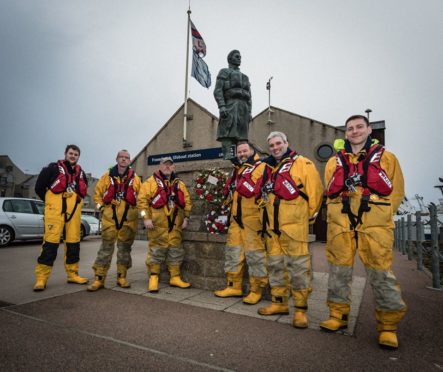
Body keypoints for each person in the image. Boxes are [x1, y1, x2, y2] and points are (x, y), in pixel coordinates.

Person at [320, 115, 406, 349]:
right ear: (345, 133)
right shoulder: (333, 162)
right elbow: (329, 191)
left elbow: (396, 192)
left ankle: (388, 326)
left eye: (359, 127)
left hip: (375, 224)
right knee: (338, 271)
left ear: (369, 130)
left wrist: (382, 216)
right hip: (341, 224)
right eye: (350, 128)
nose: (355, 131)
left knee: (381, 274)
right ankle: (337, 315)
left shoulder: (388, 158)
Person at [256, 132, 323, 328]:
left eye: (279, 143)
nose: (275, 147)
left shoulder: (303, 163)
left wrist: (307, 217)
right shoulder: (267, 168)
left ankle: (301, 310)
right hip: (272, 227)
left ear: (286, 143)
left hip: (294, 226)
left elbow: (316, 192)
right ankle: (279, 303)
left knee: (299, 268)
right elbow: (262, 194)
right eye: (272, 145)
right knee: (275, 266)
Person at [214, 142, 268, 304]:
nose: (242, 154)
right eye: (239, 152)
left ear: (252, 151)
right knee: (233, 254)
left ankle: (256, 290)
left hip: (253, 221)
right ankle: (233, 286)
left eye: (245, 151)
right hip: (236, 220)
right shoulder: (237, 170)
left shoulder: (262, 166)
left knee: (255, 256)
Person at [33, 144, 89, 291]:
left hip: (74, 213)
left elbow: (84, 190)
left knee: (73, 244)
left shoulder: (81, 173)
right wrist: (51, 203)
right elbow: (39, 187)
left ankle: (72, 274)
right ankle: (41, 278)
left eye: (76, 154)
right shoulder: (51, 168)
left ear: (78, 157)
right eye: (71, 153)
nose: (73, 156)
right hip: (55, 213)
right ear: (65, 154)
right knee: (50, 244)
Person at [87, 150, 141, 292]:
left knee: (124, 249)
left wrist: (141, 214)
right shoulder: (106, 177)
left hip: (128, 220)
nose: (123, 160)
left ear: (129, 161)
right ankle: (99, 278)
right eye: (121, 157)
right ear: (116, 159)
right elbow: (97, 196)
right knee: (106, 249)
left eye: (126, 158)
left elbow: (141, 199)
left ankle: (121, 277)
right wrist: (102, 208)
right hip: (110, 218)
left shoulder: (136, 179)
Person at [138, 157, 192, 292]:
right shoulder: (149, 183)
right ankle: (153, 278)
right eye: (165, 164)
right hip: (157, 226)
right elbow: (142, 203)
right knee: (156, 252)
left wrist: (186, 218)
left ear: (174, 167)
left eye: (170, 165)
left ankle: (175, 277)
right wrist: (146, 219)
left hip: (175, 226)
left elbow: (187, 202)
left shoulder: (180, 184)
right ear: (160, 166)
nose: (167, 167)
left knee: (176, 251)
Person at [213, 50, 252, 160]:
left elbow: (250, 97)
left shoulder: (245, 77)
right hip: (230, 104)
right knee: (227, 131)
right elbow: (218, 91)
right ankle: (227, 156)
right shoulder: (224, 72)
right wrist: (222, 106)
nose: (239, 58)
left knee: (242, 134)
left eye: (240, 56)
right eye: (236, 56)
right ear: (230, 59)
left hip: (243, 107)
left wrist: (249, 112)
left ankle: (243, 155)